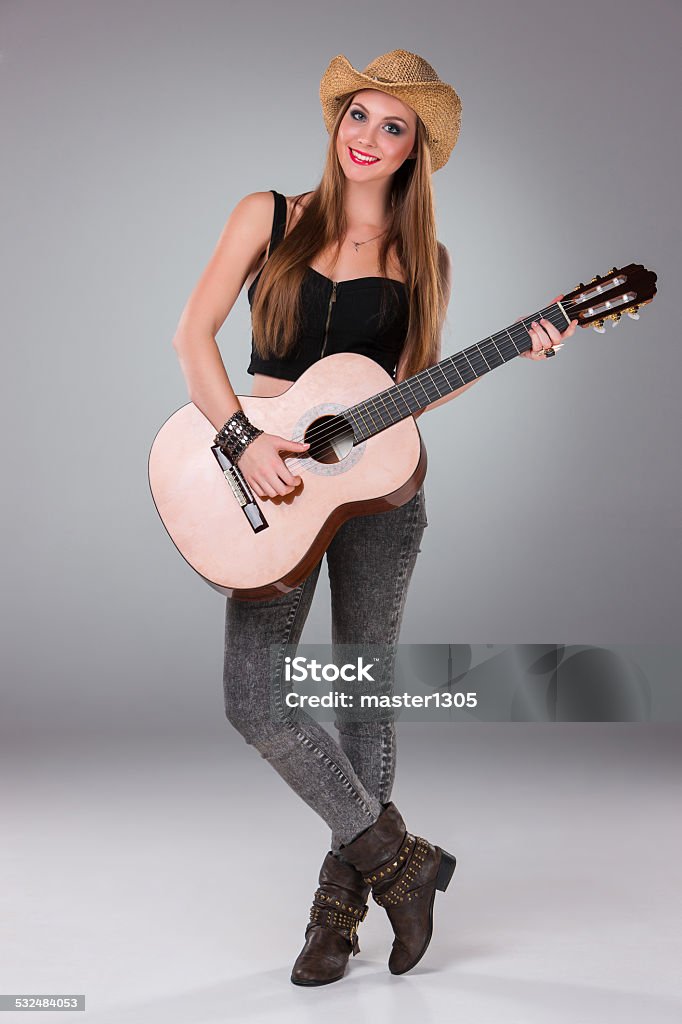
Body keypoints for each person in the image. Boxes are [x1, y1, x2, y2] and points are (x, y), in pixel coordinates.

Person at [171, 49, 578, 987]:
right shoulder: (268, 216)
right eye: (359, 116)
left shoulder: (422, 259)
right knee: (255, 700)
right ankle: (403, 863)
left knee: (362, 694)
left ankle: (336, 913)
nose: (369, 138)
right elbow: (193, 337)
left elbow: (402, 396)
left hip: (376, 500)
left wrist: (521, 346)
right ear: (336, 123)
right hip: (263, 479)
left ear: (414, 151)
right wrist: (243, 437)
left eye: (393, 127)